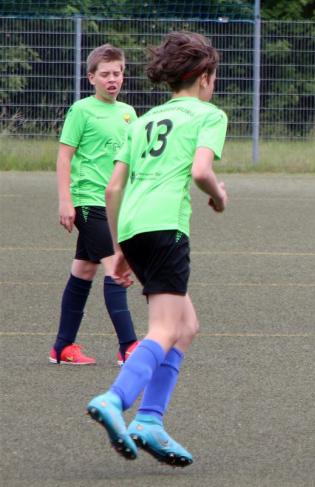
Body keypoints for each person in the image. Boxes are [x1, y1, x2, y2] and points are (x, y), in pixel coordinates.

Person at [85, 31, 228, 467]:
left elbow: (113, 187)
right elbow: (202, 171)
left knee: (186, 325)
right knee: (165, 329)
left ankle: (150, 420)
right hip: (167, 227)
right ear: (204, 76)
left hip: (132, 226)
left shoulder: (142, 121)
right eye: (214, 75)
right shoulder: (208, 115)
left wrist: (120, 248)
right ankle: (117, 399)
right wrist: (219, 195)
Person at [52, 44, 140, 366]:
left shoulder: (129, 113)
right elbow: (65, 156)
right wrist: (66, 199)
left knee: (84, 270)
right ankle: (129, 347)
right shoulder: (82, 110)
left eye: (117, 73)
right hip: (89, 201)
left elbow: (132, 161)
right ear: (92, 78)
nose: (112, 79)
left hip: (116, 205)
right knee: (115, 267)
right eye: (105, 74)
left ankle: (62, 348)